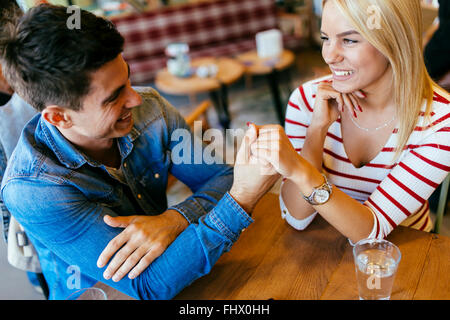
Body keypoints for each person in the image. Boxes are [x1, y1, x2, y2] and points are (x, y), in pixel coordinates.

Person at [0, 4, 279, 300]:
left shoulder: (151, 110)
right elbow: (148, 285)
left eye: (127, 77)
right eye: (114, 97)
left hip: (184, 270)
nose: (135, 98)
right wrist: (241, 201)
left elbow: (222, 178)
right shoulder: (32, 189)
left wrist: (174, 219)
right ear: (59, 117)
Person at [248, 0, 450, 244]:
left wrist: (300, 170)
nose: (329, 56)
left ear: (395, 42)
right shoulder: (306, 99)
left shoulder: (440, 122)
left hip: (405, 252)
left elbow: (370, 232)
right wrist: (317, 130)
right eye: (325, 38)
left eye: (349, 40)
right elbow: (296, 217)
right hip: (325, 245)